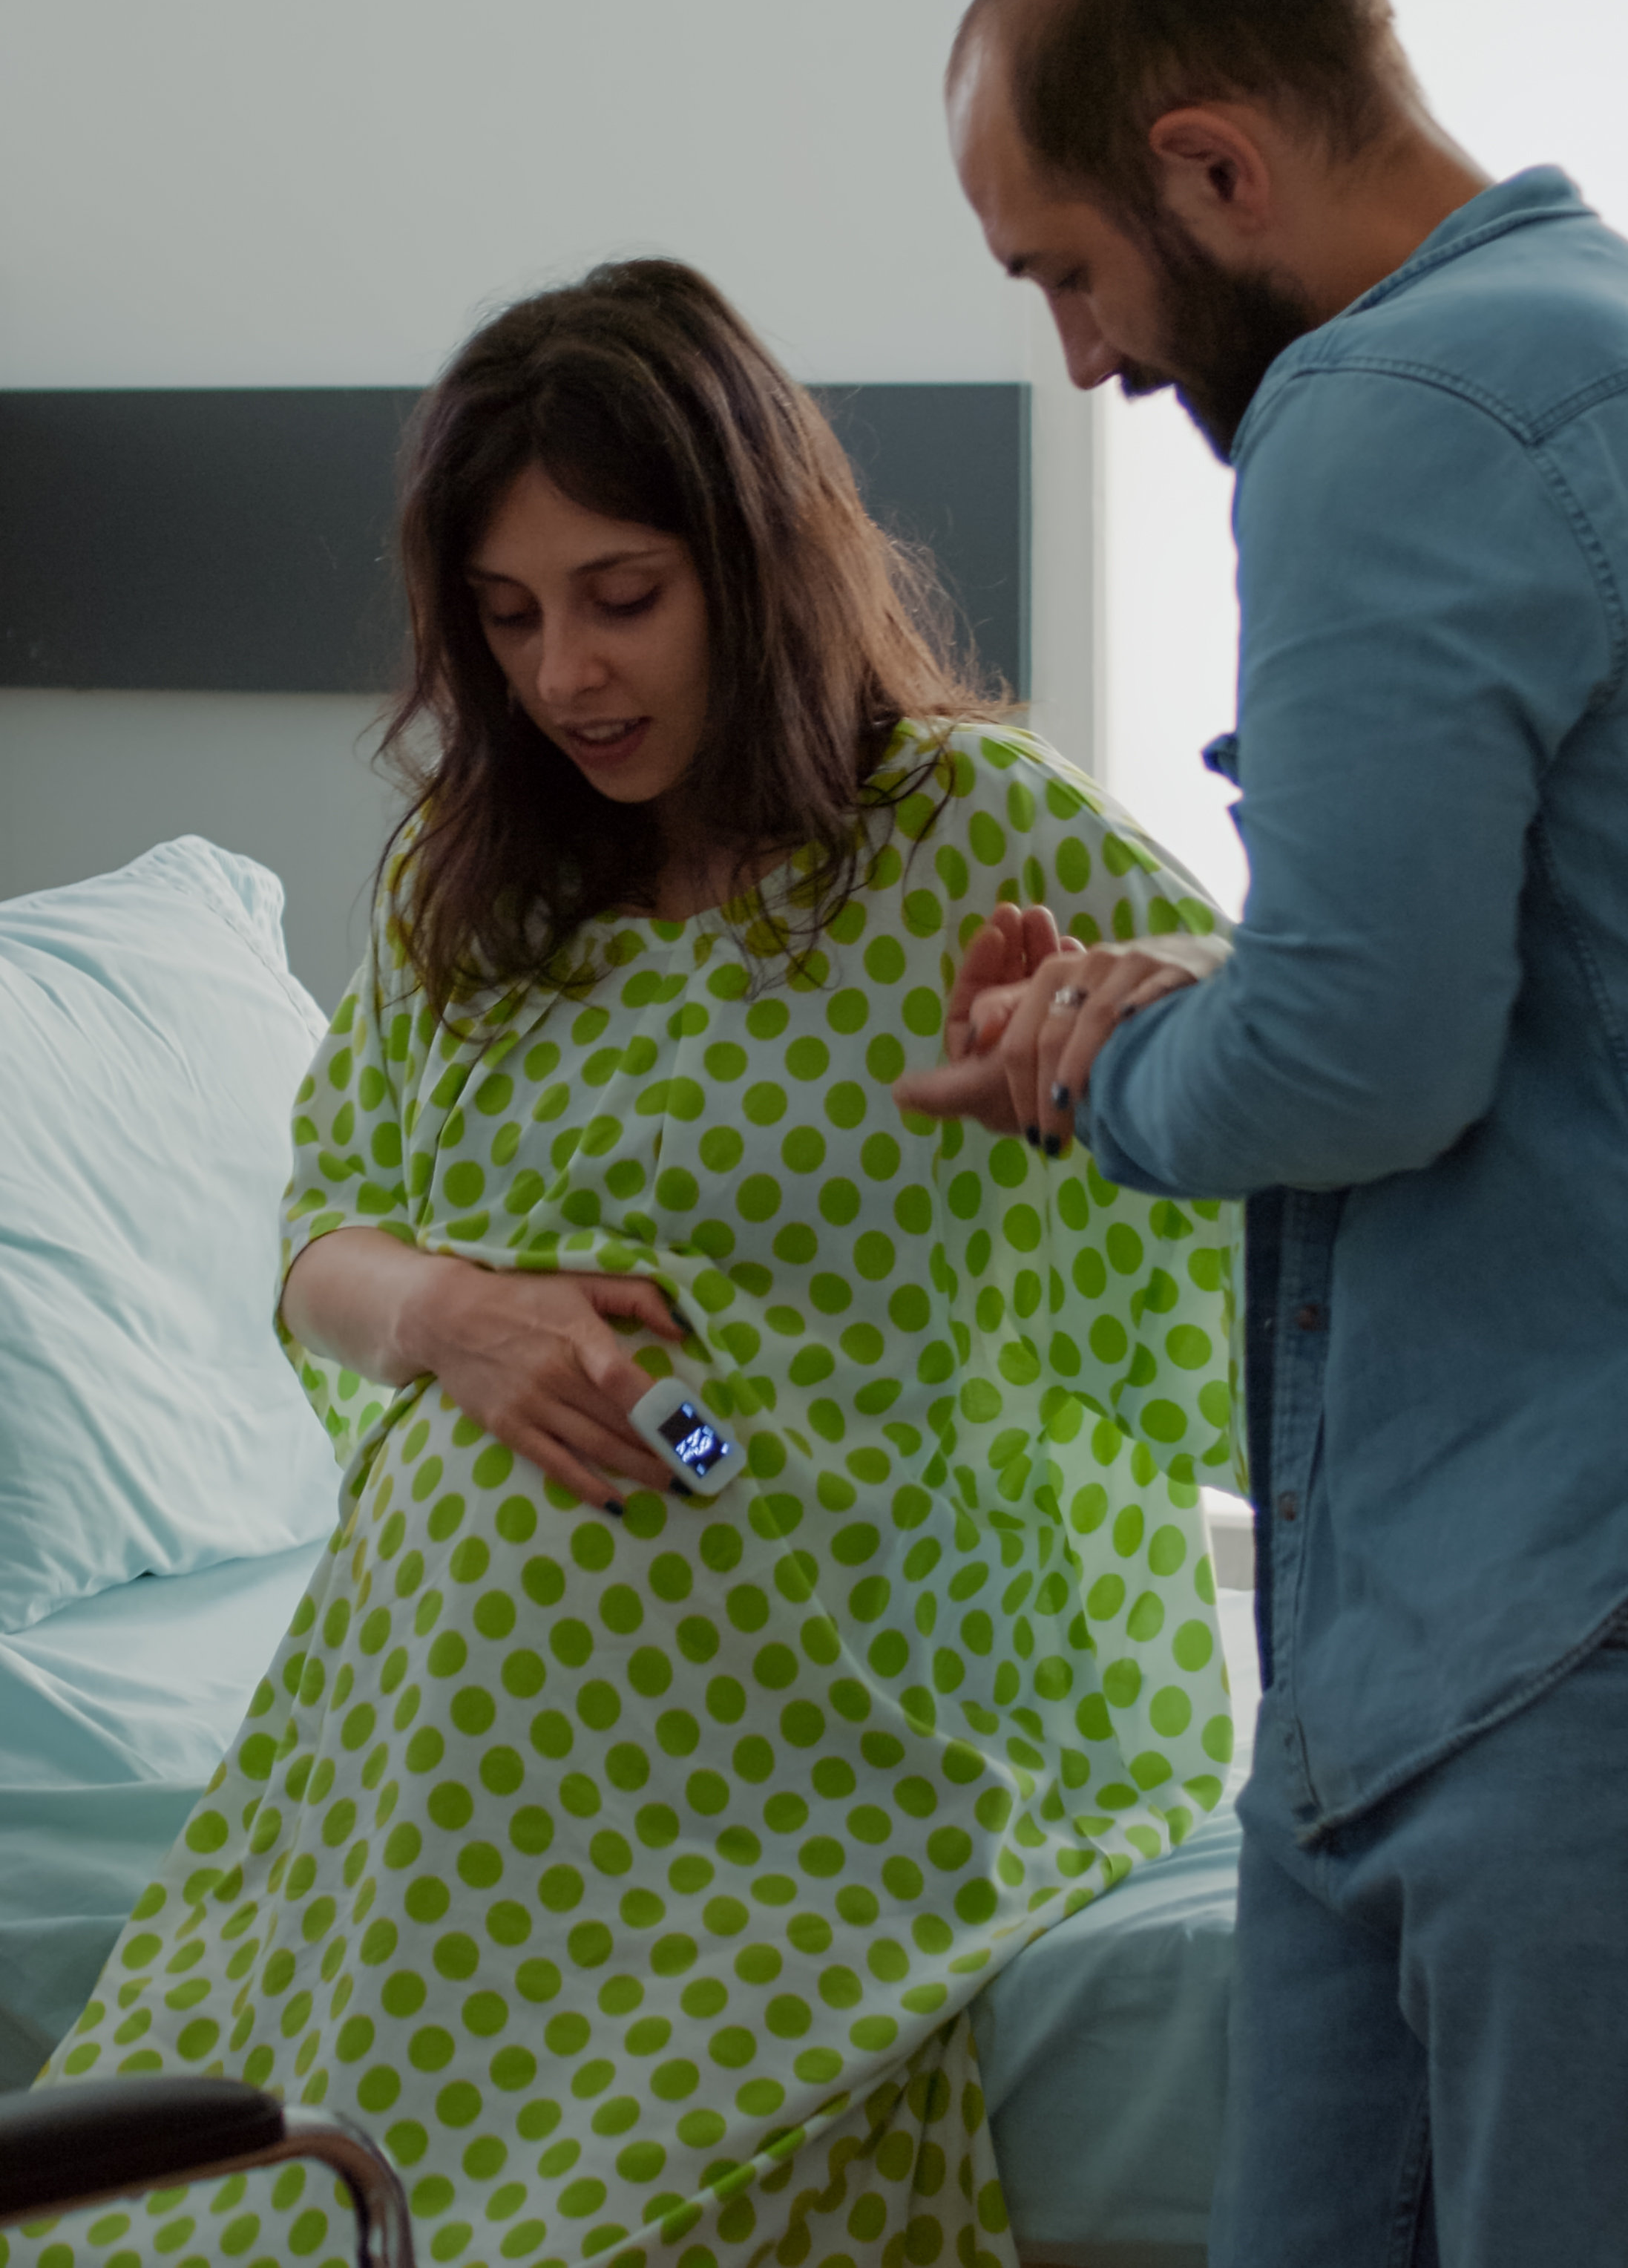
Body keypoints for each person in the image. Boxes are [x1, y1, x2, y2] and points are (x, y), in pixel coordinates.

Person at [40, 258, 1238, 2268]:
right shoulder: (476, 871)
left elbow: (1285, 1091)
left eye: (621, 597)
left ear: (755, 565)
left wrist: (1124, 1041)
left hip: (834, 1606)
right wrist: (448, 1315)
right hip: (451, 1713)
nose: (566, 675)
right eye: (508, 617)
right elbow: (318, 1230)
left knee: (696, 1469)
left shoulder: (968, 832)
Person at [898, 0, 1628, 2268]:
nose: (1081, 358)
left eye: (1062, 272)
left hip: (1515, 1634)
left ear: (1209, 164)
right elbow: (1487, 971)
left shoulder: (1386, 410)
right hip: (1425, 1636)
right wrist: (1200, 994)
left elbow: (1353, 1059)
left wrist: (1091, 1078)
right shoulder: (1580, 348)